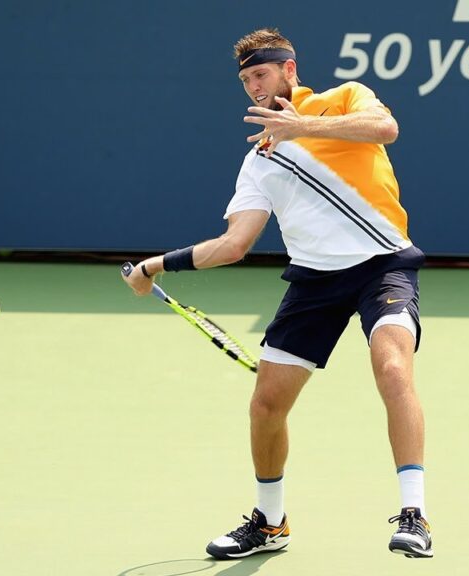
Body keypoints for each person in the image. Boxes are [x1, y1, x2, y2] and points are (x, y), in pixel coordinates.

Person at [121, 28, 432, 560]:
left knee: (392, 368)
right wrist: (155, 264)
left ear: (290, 69)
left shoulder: (345, 100)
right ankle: (269, 523)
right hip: (313, 283)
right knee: (266, 405)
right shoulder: (259, 160)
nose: (253, 87)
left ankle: (414, 515)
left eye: (260, 74)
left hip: (382, 266)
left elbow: (387, 127)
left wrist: (301, 126)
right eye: (245, 80)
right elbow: (234, 243)